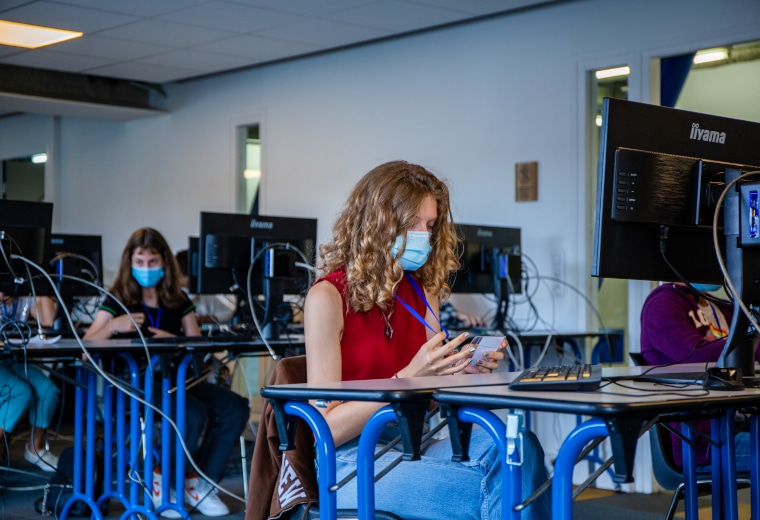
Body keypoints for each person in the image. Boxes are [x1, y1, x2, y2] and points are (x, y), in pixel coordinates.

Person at [304, 160, 551, 520]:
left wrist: (464, 372)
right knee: (499, 486)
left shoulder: (422, 293)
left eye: (430, 225)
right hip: (350, 461)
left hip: (414, 444)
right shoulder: (327, 298)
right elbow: (325, 427)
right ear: (377, 223)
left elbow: (433, 399)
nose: (424, 235)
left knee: (520, 447)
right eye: (412, 224)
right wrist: (406, 379)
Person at [83, 228, 249, 517]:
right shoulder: (118, 298)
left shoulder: (178, 300)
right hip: (135, 384)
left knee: (235, 407)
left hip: (180, 379)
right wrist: (112, 327)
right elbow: (85, 348)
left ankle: (198, 481)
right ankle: (162, 479)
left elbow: (196, 346)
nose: (147, 269)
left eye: (153, 262)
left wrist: (172, 340)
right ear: (130, 263)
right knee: (191, 413)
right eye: (140, 262)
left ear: (164, 263)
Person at [640, 281, 760, 474]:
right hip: (700, 442)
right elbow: (701, 354)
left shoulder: (718, 307)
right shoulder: (663, 304)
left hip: (739, 425)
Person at [0, 293, 60, 472]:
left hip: (11, 357)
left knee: (48, 390)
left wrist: (39, 289)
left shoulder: (24, 293)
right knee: (19, 392)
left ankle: (35, 448)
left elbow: (48, 321)